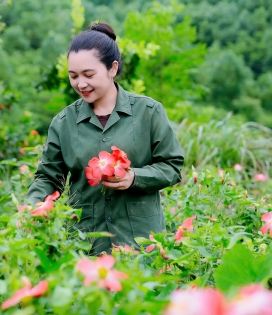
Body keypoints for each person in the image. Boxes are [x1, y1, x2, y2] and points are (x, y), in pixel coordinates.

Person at [25, 22, 184, 256]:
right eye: (74, 76)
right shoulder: (64, 122)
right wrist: (32, 206)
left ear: (112, 68)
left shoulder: (148, 112)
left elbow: (172, 166)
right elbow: (49, 177)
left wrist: (134, 177)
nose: (81, 84)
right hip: (84, 243)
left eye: (89, 75)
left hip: (140, 242)